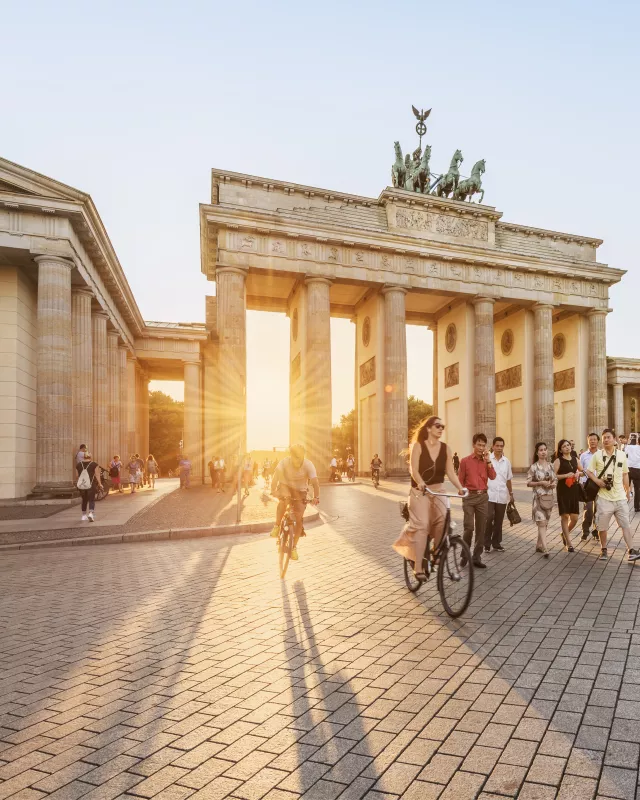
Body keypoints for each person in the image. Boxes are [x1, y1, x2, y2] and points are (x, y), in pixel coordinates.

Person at [392, 416, 464, 580]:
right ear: (429, 428)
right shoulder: (418, 446)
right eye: (437, 426)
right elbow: (413, 470)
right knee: (422, 525)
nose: (440, 429)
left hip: (438, 490)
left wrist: (460, 488)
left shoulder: (446, 448)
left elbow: (451, 472)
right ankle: (418, 568)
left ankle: (436, 553)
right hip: (420, 491)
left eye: (442, 426)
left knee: (443, 520)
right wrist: (421, 483)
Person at [587, 428, 639, 562]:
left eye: (608, 437)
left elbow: (625, 474)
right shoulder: (597, 455)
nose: (605, 440)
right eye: (604, 437)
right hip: (604, 498)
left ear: (614, 440)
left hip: (620, 497)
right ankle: (603, 549)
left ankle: (631, 550)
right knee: (602, 526)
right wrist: (597, 481)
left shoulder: (621, 455)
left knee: (625, 524)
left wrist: (628, 491)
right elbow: (589, 471)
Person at [270, 444, 320, 561]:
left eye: (300, 457)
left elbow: (315, 482)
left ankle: (293, 547)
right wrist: (273, 491)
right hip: (285, 486)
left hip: (301, 490)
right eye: (295, 457)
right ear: (290, 456)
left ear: (303, 455)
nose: (297, 460)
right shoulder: (284, 463)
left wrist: (316, 497)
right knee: (284, 499)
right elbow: (275, 478)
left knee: (299, 519)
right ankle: (277, 526)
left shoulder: (308, 465)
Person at [458, 434, 496, 569]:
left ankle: (476, 557)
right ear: (473, 445)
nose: (481, 448)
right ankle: (464, 554)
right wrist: (461, 491)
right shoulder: (465, 461)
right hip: (469, 497)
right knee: (469, 527)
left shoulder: (486, 461)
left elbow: (493, 476)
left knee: (481, 529)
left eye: (483, 445)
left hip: (483, 498)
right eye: (478, 445)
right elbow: (460, 480)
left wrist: (489, 461)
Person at [527, 442, 557, 557]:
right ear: (537, 452)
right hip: (538, 498)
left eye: (545, 449)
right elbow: (528, 482)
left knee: (545, 523)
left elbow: (555, 479)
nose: (543, 451)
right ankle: (545, 548)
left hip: (549, 498)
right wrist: (540, 482)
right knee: (542, 522)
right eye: (541, 450)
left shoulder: (550, 465)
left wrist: (553, 484)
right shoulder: (533, 467)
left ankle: (539, 545)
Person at [484, 437, 514, 553]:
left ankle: (496, 543)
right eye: (497, 446)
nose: (499, 448)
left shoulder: (506, 461)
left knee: (498, 520)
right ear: (493, 446)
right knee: (489, 517)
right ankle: (486, 544)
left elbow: (508, 479)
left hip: (502, 494)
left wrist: (511, 493)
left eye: (501, 446)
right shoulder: (487, 459)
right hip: (489, 494)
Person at [553, 439, 582, 552]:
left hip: (574, 490)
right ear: (560, 449)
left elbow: (583, 471)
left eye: (568, 445)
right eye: (564, 446)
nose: (567, 447)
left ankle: (564, 534)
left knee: (574, 518)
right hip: (563, 491)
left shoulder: (575, 459)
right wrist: (565, 475)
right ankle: (569, 543)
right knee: (565, 516)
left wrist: (578, 473)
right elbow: (553, 476)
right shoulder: (558, 461)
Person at [580, 433, 601, 540]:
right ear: (587, 441)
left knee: (599, 509)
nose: (592, 441)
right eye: (590, 439)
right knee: (588, 509)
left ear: (598, 441)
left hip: (599, 484)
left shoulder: (602, 454)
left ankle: (596, 531)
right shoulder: (583, 455)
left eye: (594, 439)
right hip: (587, 485)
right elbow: (581, 470)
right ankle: (585, 531)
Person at [77, 451, 103, 522]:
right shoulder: (94, 464)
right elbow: (97, 475)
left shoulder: (79, 464)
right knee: (91, 499)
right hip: (91, 484)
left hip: (82, 485)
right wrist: (100, 484)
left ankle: (83, 515)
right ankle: (91, 514)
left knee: (84, 500)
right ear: (90, 457)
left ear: (84, 457)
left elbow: (78, 475)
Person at [627, 434, 640, 512]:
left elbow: (625, 452)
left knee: (625, 488)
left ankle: (623, 505)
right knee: (637, 489)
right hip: (638, 470)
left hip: (629, 469)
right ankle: (637, 507)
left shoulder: (630, 447)